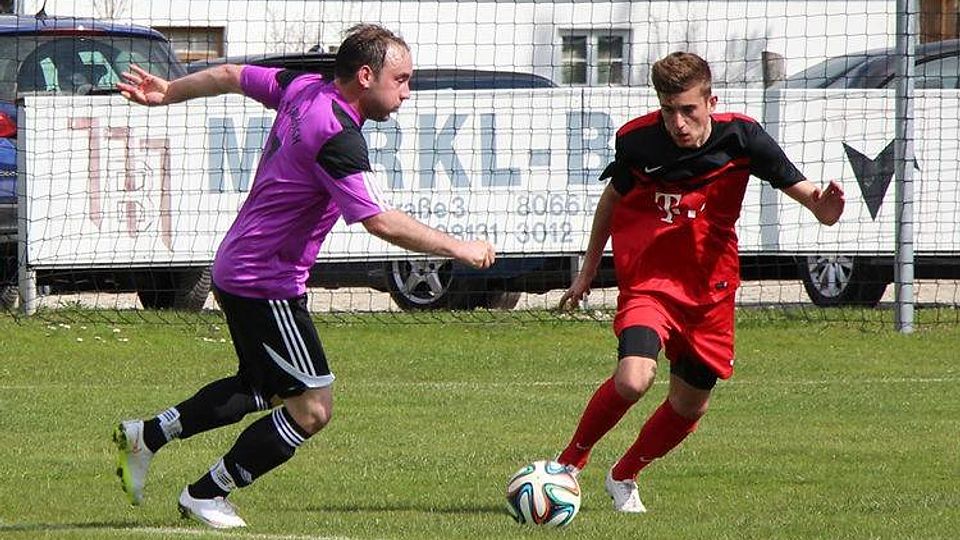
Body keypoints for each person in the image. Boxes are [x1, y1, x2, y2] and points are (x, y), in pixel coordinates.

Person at [112, 24, 495, 529]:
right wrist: (457, 248)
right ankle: (205, 495)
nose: (406, 92)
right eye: (400, 80)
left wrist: (170, 92)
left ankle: (148, 436)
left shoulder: (301, 87)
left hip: (241, 266)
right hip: (265, 280)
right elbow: (378, 220)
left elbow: (231, 74)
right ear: (365, 75)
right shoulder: (336, 134)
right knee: (312, 408)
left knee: (264, 389)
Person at [555, 51, 845, 513]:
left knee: (690, 407)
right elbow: (613, 198)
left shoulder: (742, 138)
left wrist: (824, 207)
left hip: (710, 293)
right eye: (668, 110)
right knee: (634, 379)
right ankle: (567, 466)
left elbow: (805, 191)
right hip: (650, 284)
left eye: (688, 109)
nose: (678, 122)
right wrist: (589, 267)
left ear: (711, 101)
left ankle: (624, 475)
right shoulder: (638, 142)